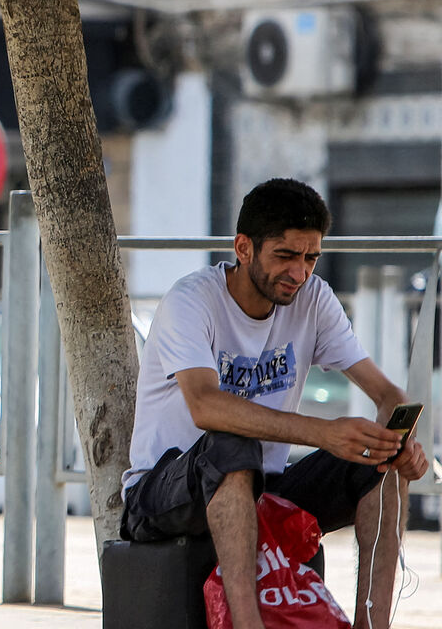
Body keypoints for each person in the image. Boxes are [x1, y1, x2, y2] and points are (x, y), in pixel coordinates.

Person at [122, 178, 429, 629]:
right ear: (243, 248)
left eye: (310, 258)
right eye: (285, 256)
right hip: (164, 489)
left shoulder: (314, 299)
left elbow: (386, 394)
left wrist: (398, 441)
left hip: (262, 488)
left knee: (375, 465)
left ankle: (372, 624)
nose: (299, 273)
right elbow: (205, 406)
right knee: (232, 443)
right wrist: (322, 432)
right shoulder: (191, 301)